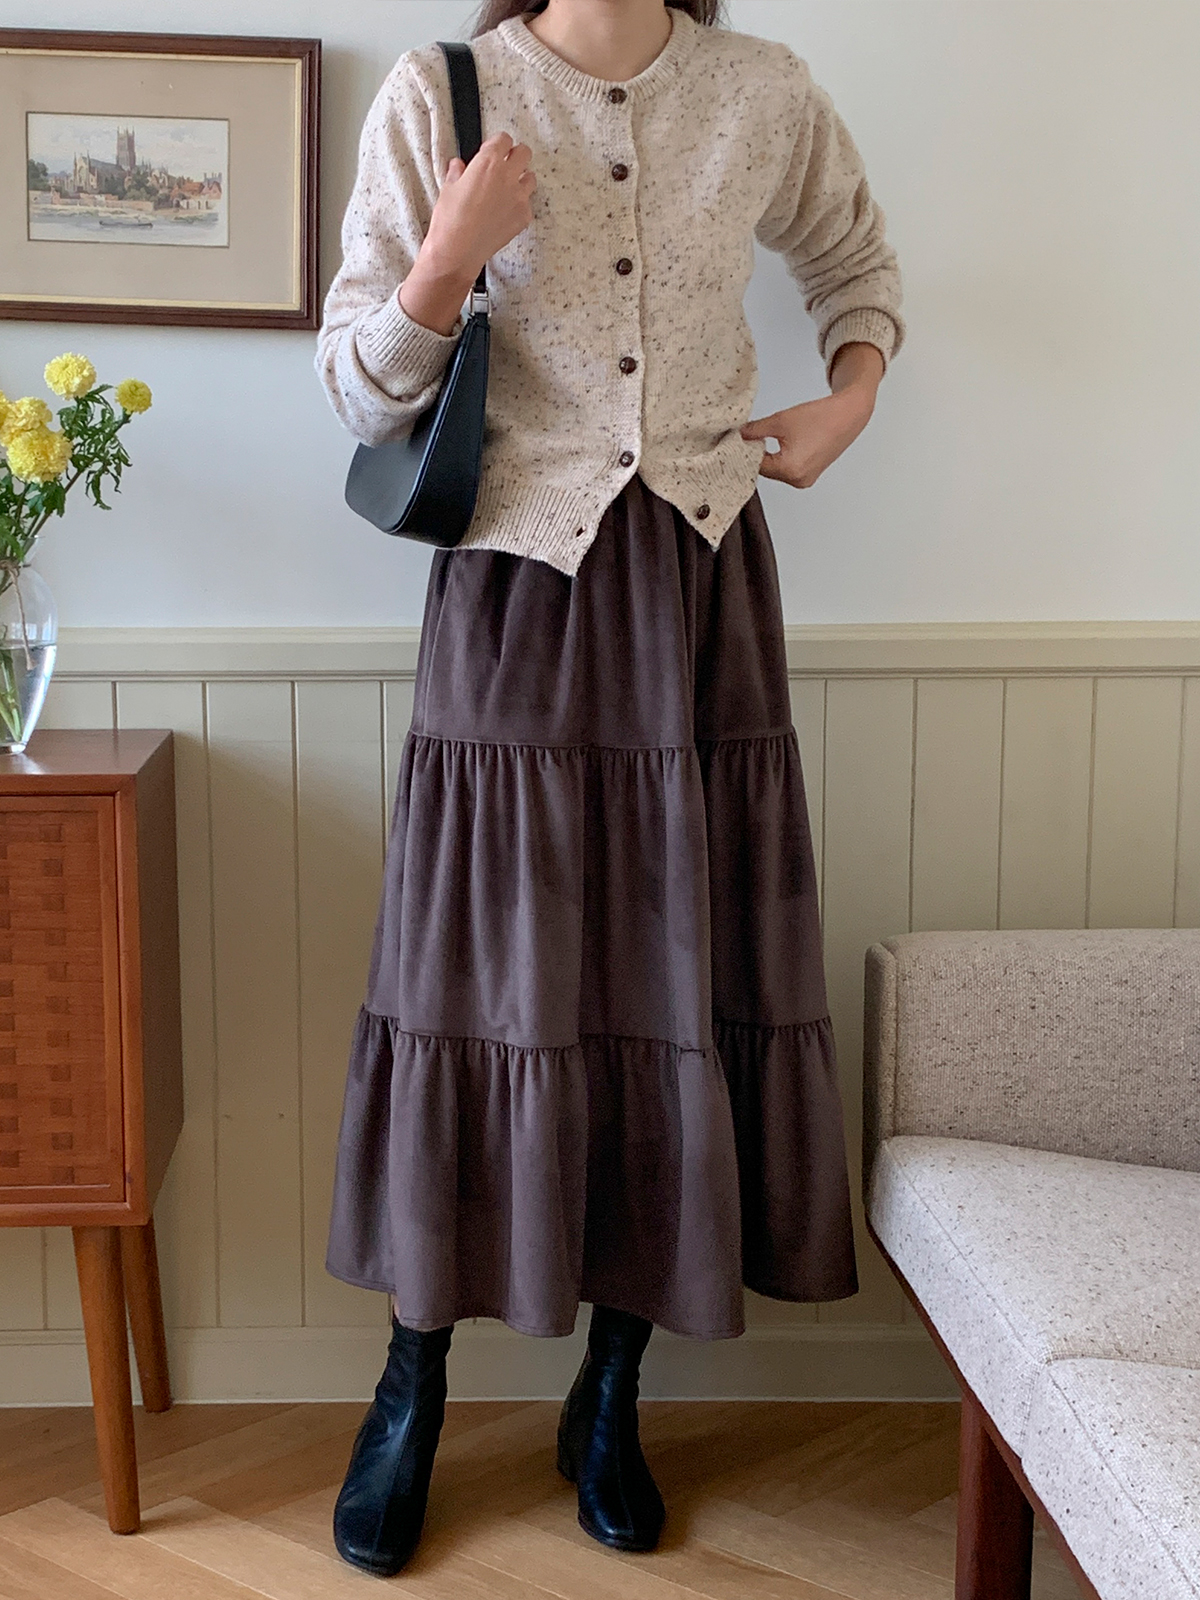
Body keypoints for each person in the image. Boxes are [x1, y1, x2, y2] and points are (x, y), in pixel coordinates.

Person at [313, 0, 905, 1576]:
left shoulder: (763, 91)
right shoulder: (444, 89)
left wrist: (847, 399)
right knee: (476, 980)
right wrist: (448, 260)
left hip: (701, 582)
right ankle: (412, 1383)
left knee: (676, 969)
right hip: (513, 591)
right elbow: (359, 392)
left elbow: (857, 266)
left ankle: (612, 1388)